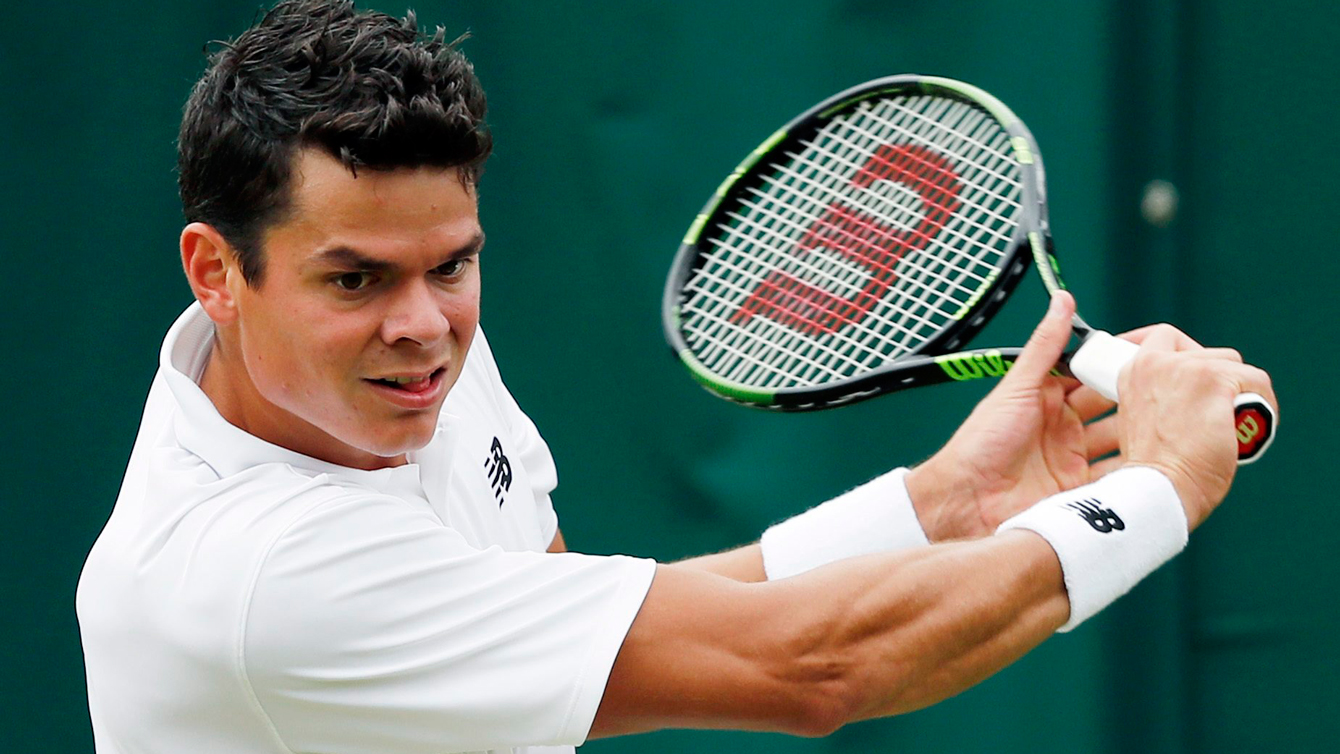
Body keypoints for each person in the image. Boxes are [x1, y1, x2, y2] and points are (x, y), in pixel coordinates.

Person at [75, 1, 1276, 753]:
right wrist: (1160, 485)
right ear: (215, 271)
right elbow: (812, 667)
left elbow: (593, 623)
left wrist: (933, 509)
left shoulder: (393, 373)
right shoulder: (257, 578)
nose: (424, 327)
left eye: (452, 264)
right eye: (355, 281)